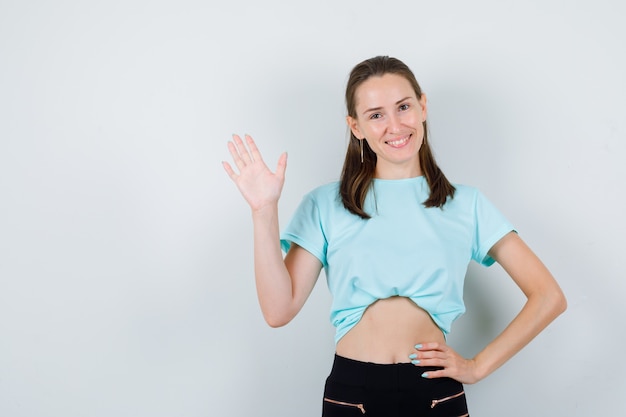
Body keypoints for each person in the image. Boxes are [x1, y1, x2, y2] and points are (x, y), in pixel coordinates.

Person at [222, 56, 566, 417]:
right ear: (355, 127)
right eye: (375, 115)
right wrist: (263, 212)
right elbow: (278, 311)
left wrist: (477, 366)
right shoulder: (325, 204)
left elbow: (549, 296)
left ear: (422, 107)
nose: (395, 125)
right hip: (352, 392)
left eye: (403, 107)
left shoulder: (466, 204)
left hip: (434, 392)